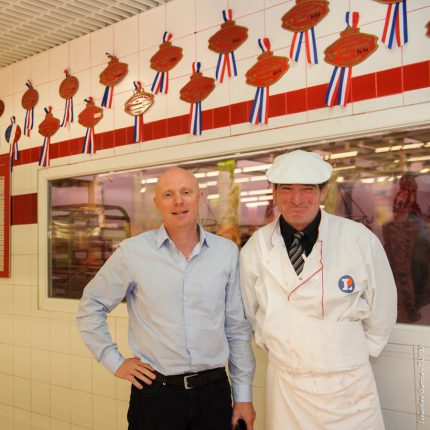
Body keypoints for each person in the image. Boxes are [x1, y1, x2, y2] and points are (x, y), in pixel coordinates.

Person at [77, 167, 256, 430]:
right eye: (168, 194)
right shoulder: (133, 253)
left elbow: (237, 330)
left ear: (200, 197)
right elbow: (90, 306)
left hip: (213, 394)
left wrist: (243, 397)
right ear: (157, 202)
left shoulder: (226, 253)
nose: (178, 201)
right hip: (156, 397)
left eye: (186, 192)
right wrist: (114, 361)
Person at [240, 150, 397, 430]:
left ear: (323, 192)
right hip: (287, 385)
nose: (297, 199)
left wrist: (348, 353)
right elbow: (252, 314)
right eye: (286, 189)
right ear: (274, 193)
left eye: (307, 189)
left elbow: (383, 306)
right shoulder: (256, 247)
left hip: (349, 387)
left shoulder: (358, 239)